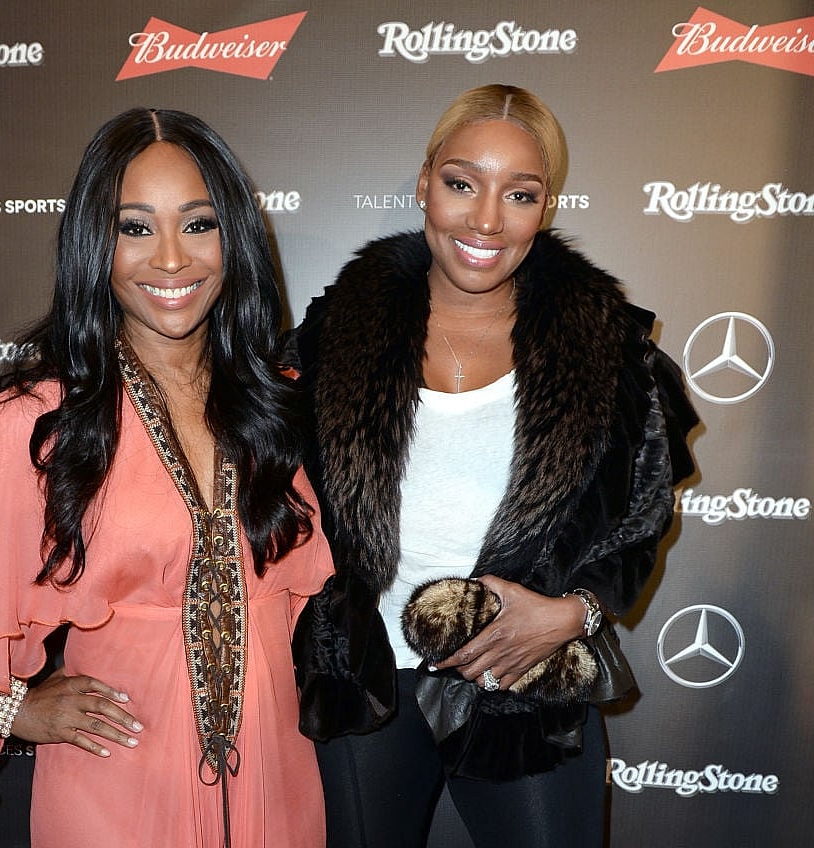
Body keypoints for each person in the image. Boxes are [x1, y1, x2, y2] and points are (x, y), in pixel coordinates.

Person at [0, 107, 333, 848]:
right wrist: (9, 707)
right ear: (97, 245)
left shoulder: (269, 401)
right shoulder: (49, 417)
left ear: (234, 238)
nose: (173, 259)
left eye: (199, 223)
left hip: (279, 782)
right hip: (116, 790)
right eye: (136, 227)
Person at [287, 84, 698, 847]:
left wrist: (574, 612)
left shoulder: (607, 353)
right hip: (366, 677)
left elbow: (643, 512)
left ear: (545, 209)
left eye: (520, 193)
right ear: (423, 184)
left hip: (524, 682)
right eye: (461, 183)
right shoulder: (333, 334)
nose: (485, 219)